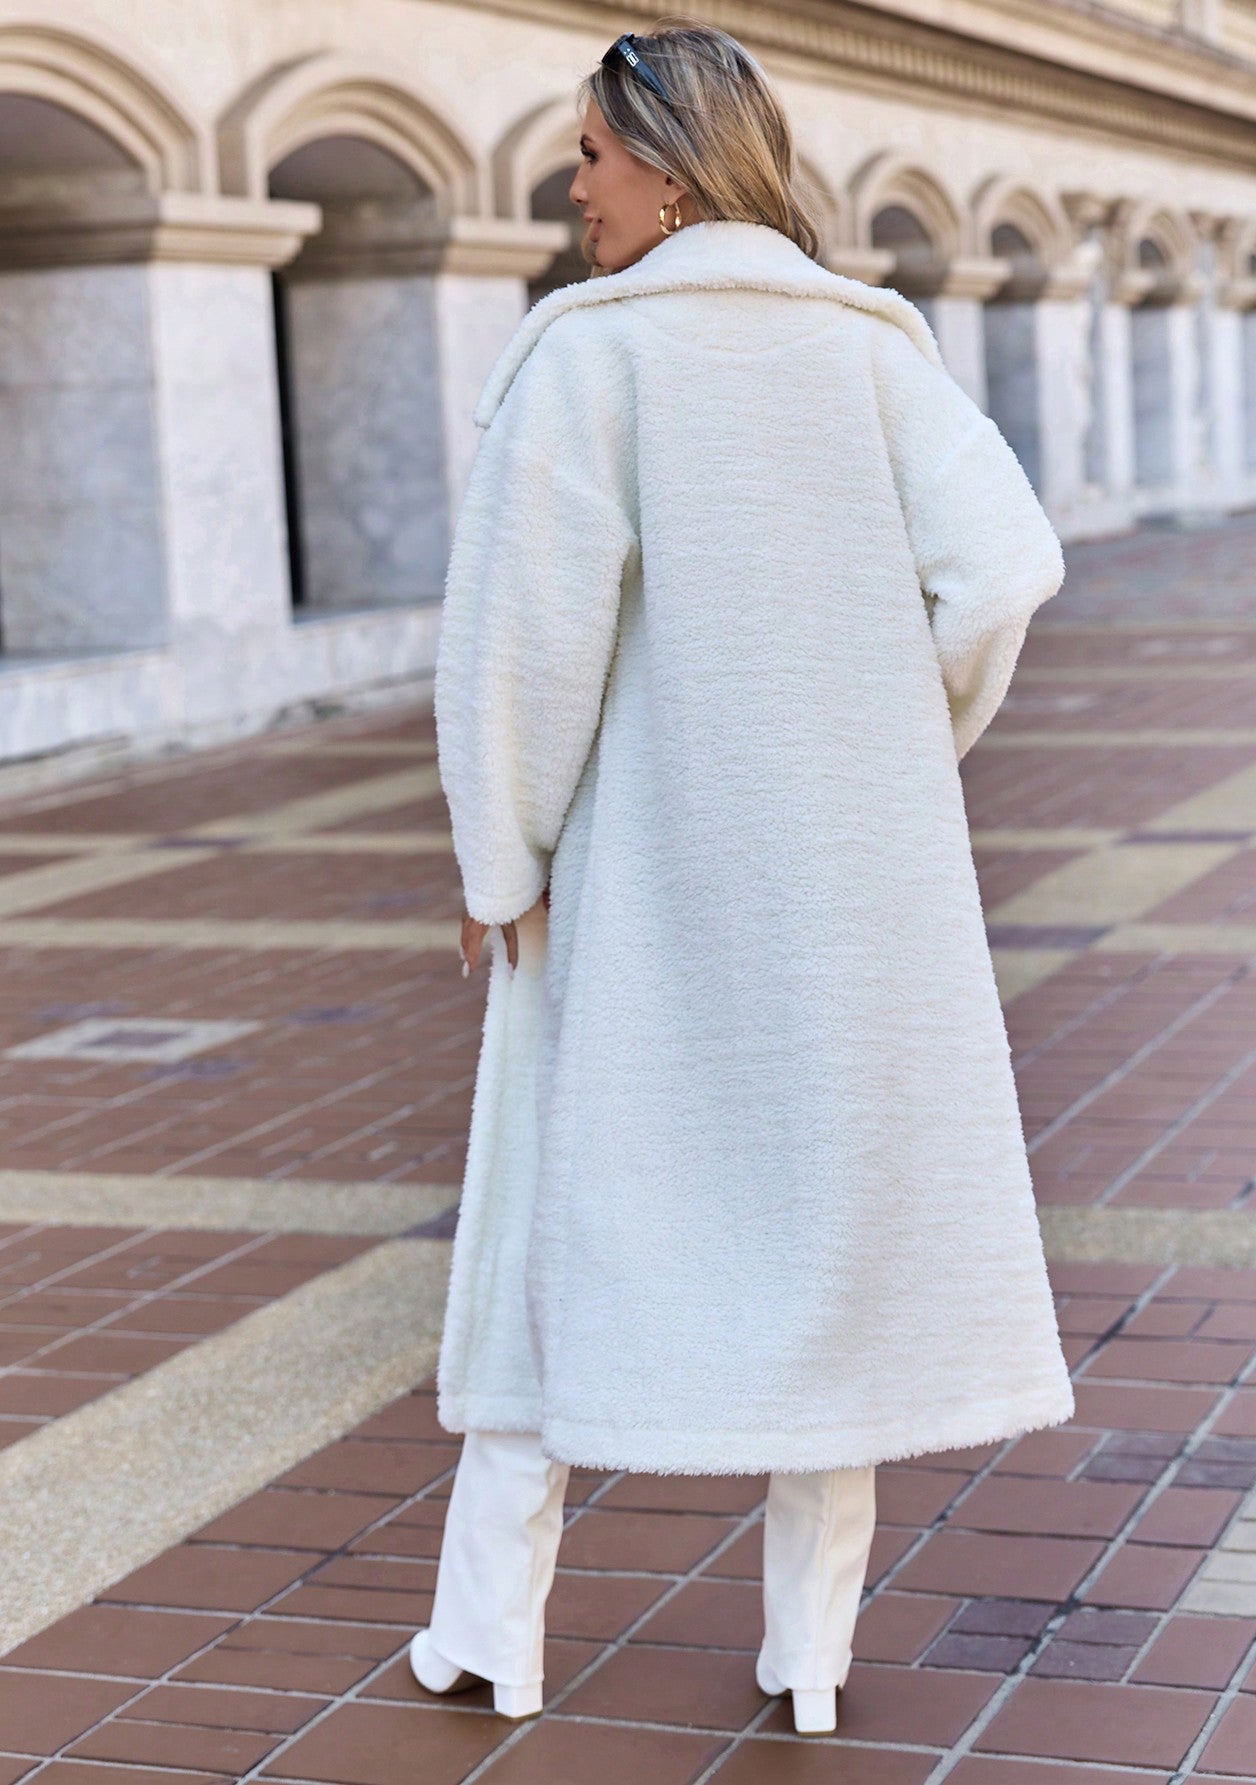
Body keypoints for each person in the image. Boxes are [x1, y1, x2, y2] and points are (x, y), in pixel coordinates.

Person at [415, 20, 1075, 1737]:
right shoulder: (868, 346)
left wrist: (499, 852)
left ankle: (492, 1636)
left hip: (634, 885)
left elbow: (519, 640)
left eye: (590, 155)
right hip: (850, 895)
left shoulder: (594, 354)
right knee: (827, 1251)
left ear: (672, 164)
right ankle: (811, 1659)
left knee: (555, 1230)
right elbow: (1005, 564)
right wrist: (897, 743)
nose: (573, 189)